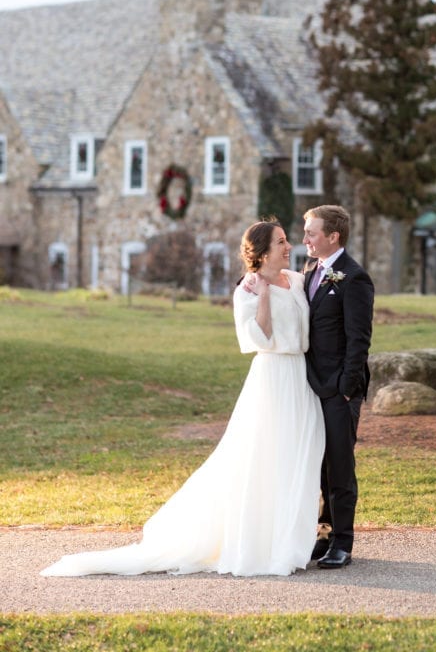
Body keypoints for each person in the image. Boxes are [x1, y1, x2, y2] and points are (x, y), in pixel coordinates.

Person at [40, 220, 325, 578]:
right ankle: (261, 545)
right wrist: (264, 295)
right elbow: (259, 340)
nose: (289, 246)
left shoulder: (299, 281)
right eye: (281, 242)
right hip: (272, 378)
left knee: (299, 459)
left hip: (302, 379)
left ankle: (290, 540)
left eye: (286, 240)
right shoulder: (247, 292)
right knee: (264, 459)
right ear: (263, 252)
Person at [302, 204, 374, 569]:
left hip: (339, 390)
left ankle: (343, 543)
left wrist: (346, 388)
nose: (305, 240)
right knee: (317, 464)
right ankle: (323, 534)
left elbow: (359, 339)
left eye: (312, 233)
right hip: (311, 387)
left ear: (333, 236)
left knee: (340, 466)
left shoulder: (354, 278)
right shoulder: (311, 269)